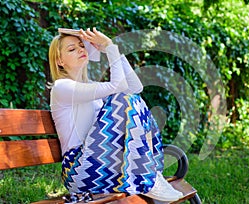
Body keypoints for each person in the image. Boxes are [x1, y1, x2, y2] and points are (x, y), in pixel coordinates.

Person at [48, 27, 183, 202]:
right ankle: (147, 179)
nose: (81, 49)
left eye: (82, 46)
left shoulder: (91, 86)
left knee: (131, 98)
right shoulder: (62, 87)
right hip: (79, 169)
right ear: (59, 61)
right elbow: (118, 88)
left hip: (100, 162)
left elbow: (135, 88)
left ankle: (151, 175)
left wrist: (112, 50)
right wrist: (110, 47)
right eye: (72, 49)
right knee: (123, 98)